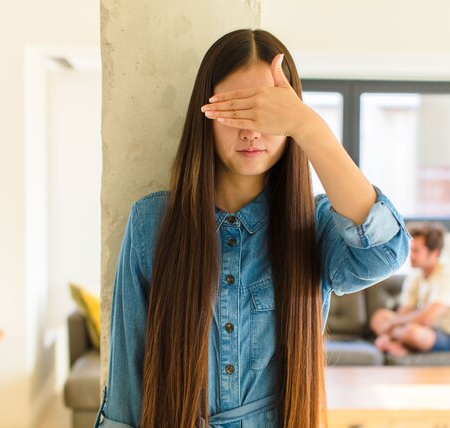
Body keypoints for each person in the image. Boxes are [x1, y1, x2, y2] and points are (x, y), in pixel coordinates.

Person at [96, 29, 410, 428]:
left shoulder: (314, 227)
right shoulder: (151, 222)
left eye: (268, 111)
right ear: (205, 114)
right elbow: (127, 383)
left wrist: (309, 128)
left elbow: (385, 251)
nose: (251, 130)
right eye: (235, 109)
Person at [369, 222, 450, 357]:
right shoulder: (416, 273)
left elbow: (426, 318)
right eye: (410, 249)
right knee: (380, 317)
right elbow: (405, 310)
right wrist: (392, 329)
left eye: (416, 251)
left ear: (434, 253)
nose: (410, 255)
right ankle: (398, 344)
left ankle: (400, 343)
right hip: (428, 330)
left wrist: (392, 326)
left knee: (411, 332)